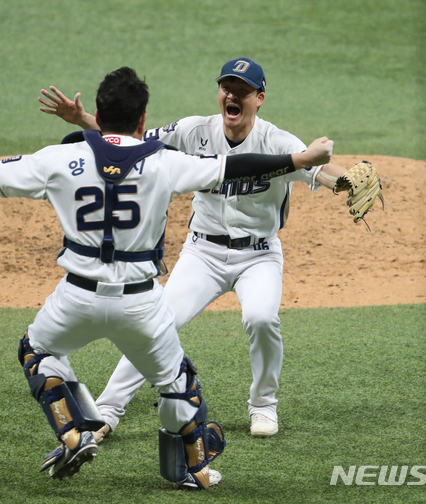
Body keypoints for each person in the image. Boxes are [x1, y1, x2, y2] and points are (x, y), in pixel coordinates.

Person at [0, 67, 334, 488]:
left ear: (97, 111)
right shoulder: (167, 163)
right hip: (140, 304)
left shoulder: (60, 157)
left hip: (74, 298)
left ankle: (74, 428)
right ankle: (192, 470)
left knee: (37, 352)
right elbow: (233, 168)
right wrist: (301, 160)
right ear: (143, 120)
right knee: (180, 388)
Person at [38, 57, 352, 440]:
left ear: (260, 98)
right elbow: (136, 140)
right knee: (157, 324)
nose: (231, 95)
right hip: (202, 253)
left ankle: (263, 405)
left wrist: (350, 181)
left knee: (261, 318)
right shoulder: (193, 130)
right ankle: (107, 409)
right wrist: (87, 121)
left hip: (259, 255)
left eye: (242, 91)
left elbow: (318, 169)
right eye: (226, 88)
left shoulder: (279, 142)